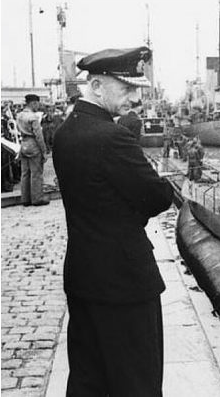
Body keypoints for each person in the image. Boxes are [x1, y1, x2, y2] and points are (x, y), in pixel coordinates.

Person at [52, 46, 173, 396]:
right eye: (127, 88)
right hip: (125, 283)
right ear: (98, 86)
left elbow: (90, 199)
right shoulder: (113, 137)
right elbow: (159, 197)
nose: (134, 97)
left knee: (88, 380)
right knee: (137, 383)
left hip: (83, 275)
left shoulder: (65, 133)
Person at [17, 94, 50, 206]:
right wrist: (44, 151)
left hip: (24, 144)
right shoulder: (33, 117)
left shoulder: (19, 115)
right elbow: (39, 136)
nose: (38, 107)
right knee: (36, 172)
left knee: (25, 173)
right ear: (33, 103)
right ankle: (37, 198)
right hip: (33, 144)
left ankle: (25, 199)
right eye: (37, 104)